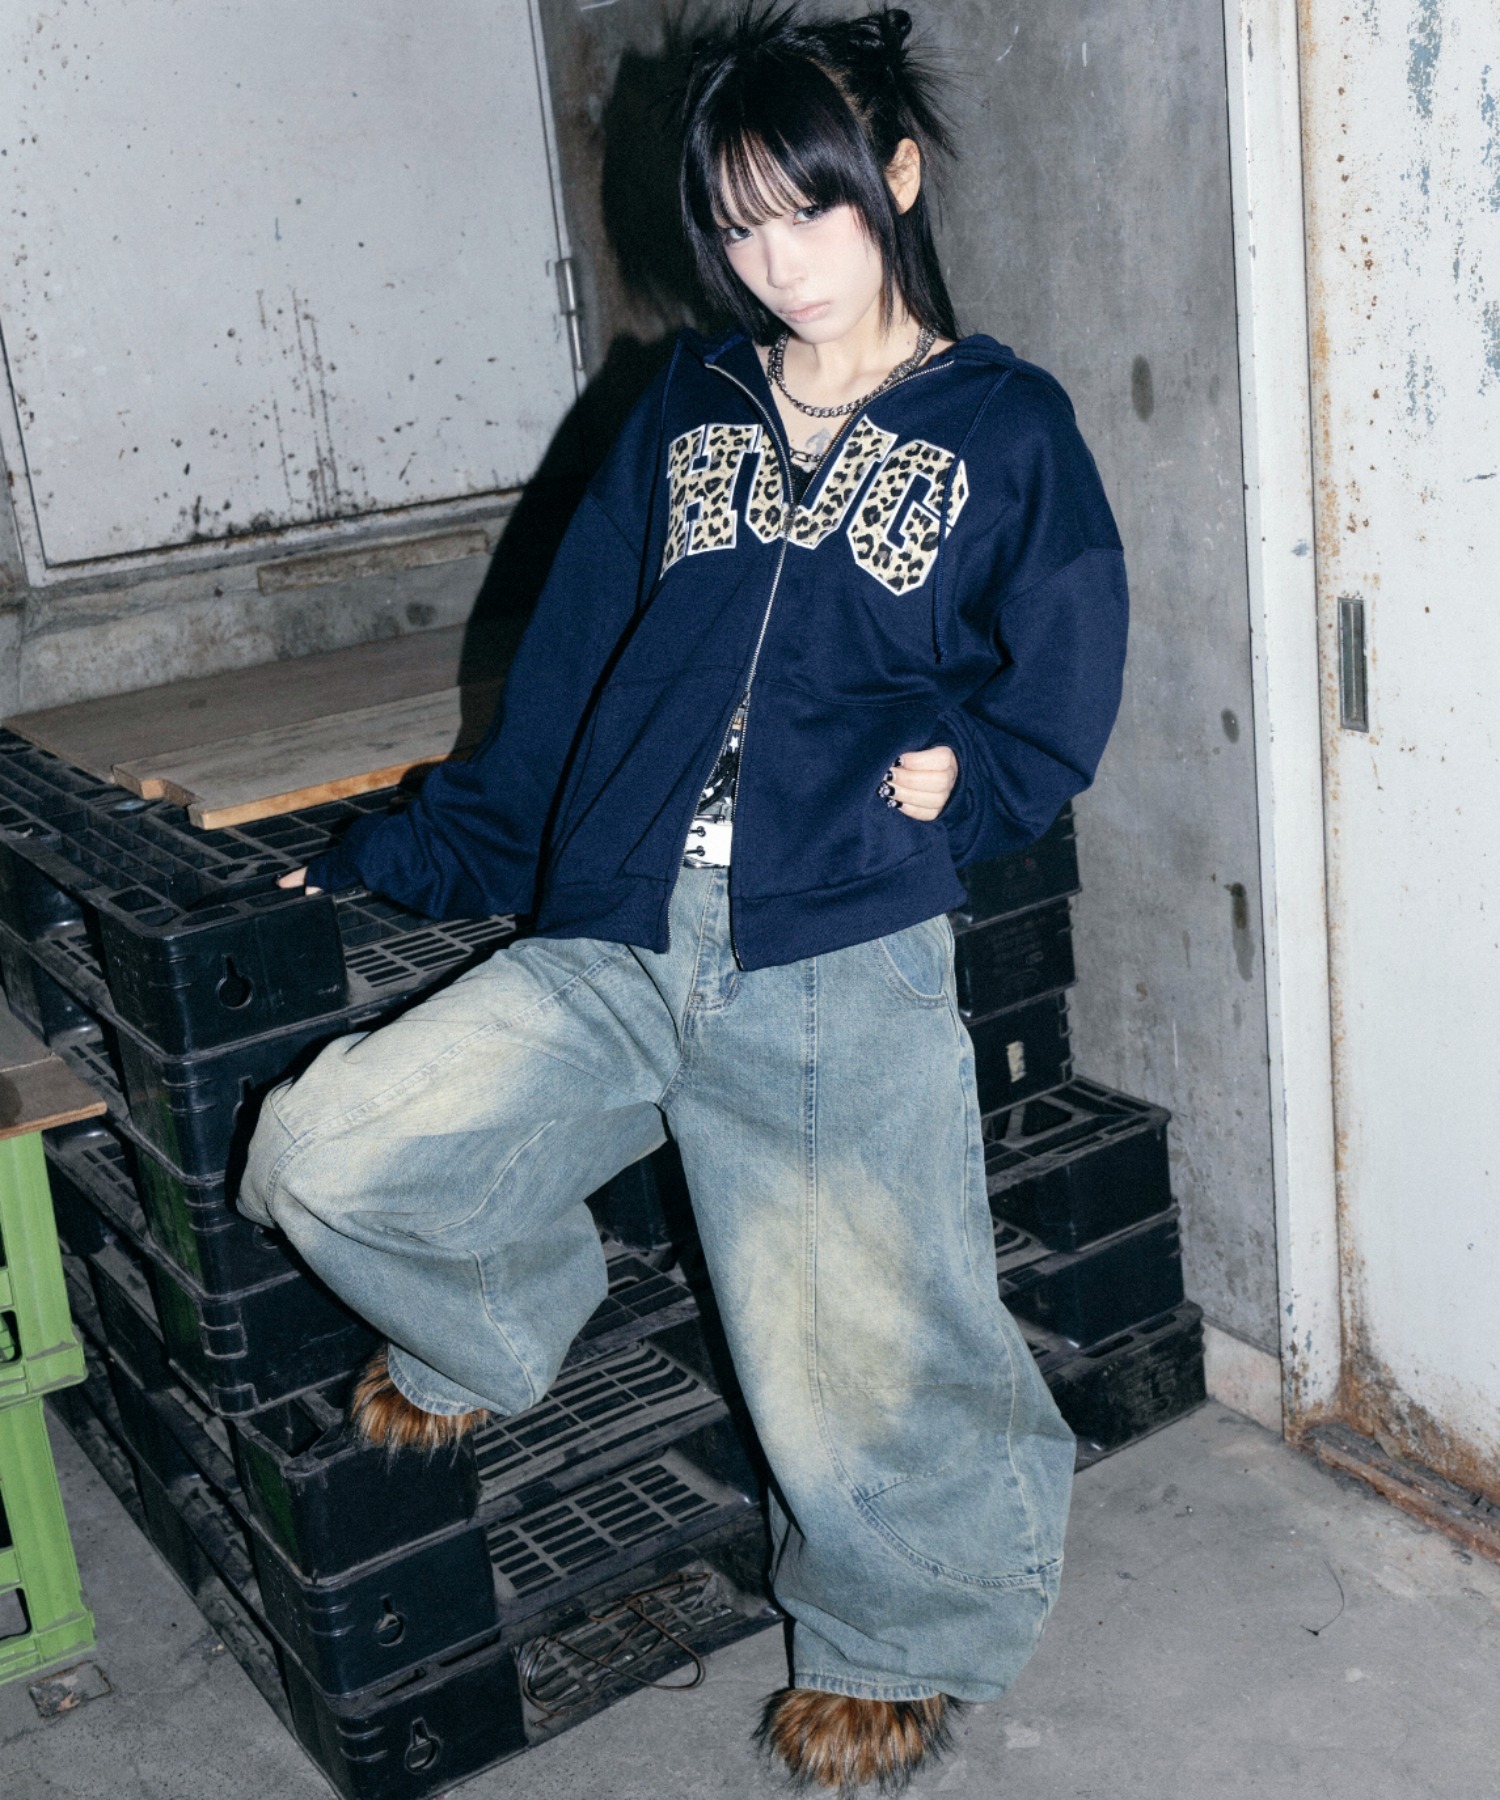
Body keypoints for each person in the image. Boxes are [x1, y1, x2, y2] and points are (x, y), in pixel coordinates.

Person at [239, 4, 1127, 1789]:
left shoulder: (1006, 425)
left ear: (897, 179)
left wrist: (974, 777)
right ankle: (504, 1326)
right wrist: (405, 845)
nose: (777, 263)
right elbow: (569, 673)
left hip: (835, 952)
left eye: (811, 210)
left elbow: (1063, 677)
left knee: (866, 1357)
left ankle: (901, 1635)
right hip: (624, 929)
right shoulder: (689, 402)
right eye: (738, 225)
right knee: (323, 1154)